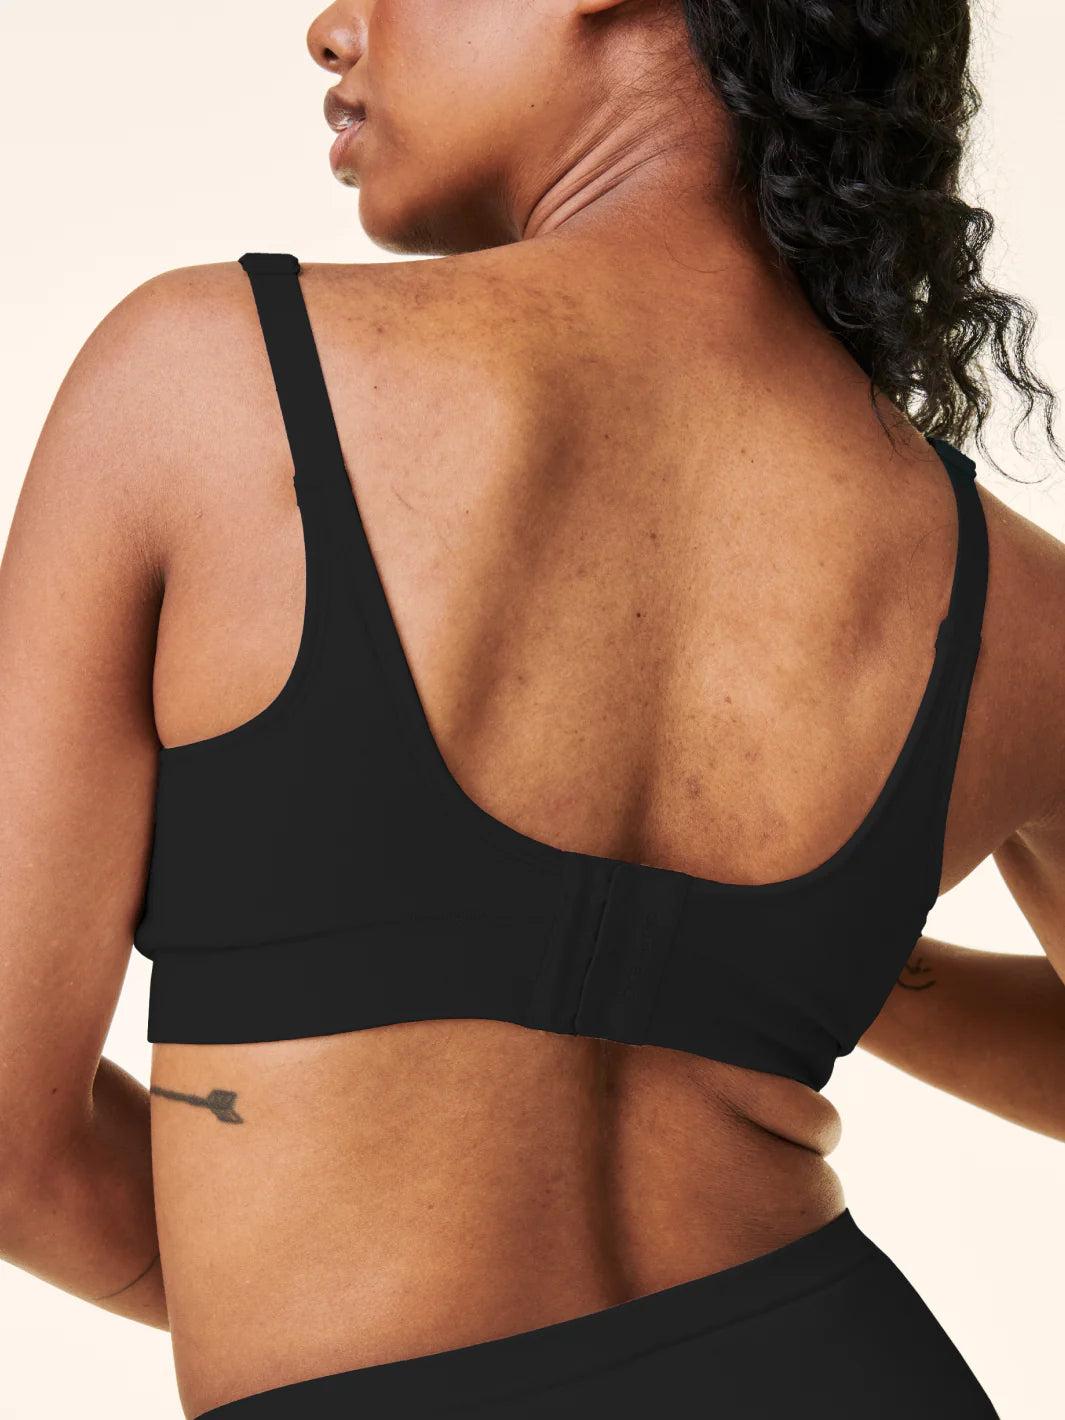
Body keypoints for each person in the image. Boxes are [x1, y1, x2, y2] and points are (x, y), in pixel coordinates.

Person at [1, 2, 1063, 1416]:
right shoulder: (1019, 603)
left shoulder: (208, 382)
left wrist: (323, 1307)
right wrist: (811, 946)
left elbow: (10, 1147)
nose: (332, 28)